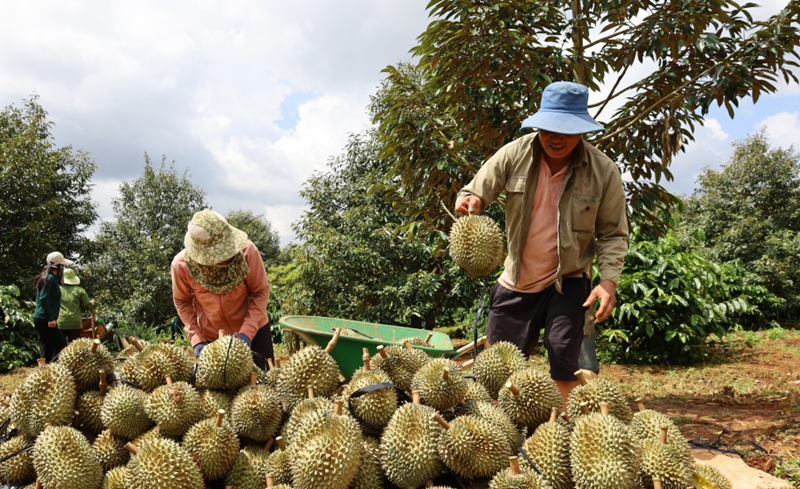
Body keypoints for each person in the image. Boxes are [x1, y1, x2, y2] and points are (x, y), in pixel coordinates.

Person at [455, 81, 629, 406]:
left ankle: (566, 428)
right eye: (549, 128)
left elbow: (613, 233)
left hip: (569, 280)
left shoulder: (603, 170)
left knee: (564, 356)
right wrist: (471, 201)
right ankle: (501, 434)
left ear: (582, 131)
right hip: (517, 278)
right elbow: (476, 189)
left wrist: (608, 282)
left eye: (566, 130)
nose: (556, 137)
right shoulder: (515, 153)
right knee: (498, 366)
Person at [171, 209, 274, 370]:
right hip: (213, 338)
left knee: (264, 387)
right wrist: (196, 338)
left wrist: (248, 332)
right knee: (221, 392)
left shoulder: (247, 252)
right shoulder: (181, 265)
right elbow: (182, 301)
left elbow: (260, 292)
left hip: (255, 332)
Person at [33, 252, 73, 361]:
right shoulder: (49, 278)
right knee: (62, 346)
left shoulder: (50, 278)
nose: (63, 268)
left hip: (41, 318)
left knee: (46, 348)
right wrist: (50, 318)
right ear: (59, 266)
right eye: (63, 266)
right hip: (44, 318)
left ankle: (44, 372)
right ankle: (60, 371)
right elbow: (43, 298)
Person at [57, 268, 93, 343]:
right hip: (75, 323)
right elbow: (86, 306)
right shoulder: (80, 291)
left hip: (60, 322)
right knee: (74, 348)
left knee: (60, 348)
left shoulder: (57, 289)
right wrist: (92, 303)